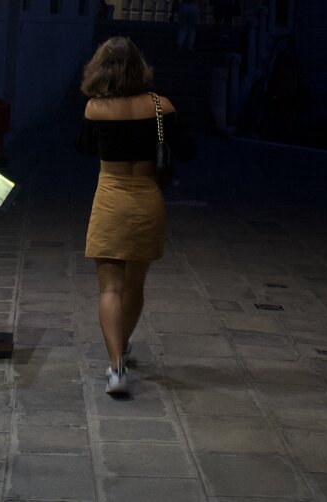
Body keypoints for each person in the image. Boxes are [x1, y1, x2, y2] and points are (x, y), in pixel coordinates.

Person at [76, 36, 196, 396]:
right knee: (135, 285)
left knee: (110, 287)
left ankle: (116, 367)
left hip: (111, 199)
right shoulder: (162, 106)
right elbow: (189, 150)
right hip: (147, 201)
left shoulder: (95, 109)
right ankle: (122, 344)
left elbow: (83, 148)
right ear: (139, 67)